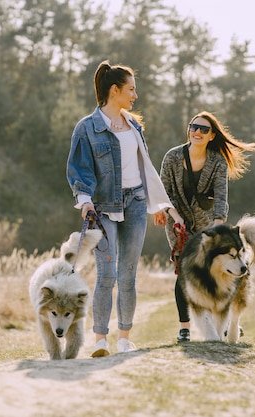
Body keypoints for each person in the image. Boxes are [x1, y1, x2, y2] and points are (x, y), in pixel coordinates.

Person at [66, 60, 174, 357]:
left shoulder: (134, 126)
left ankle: (124, 338)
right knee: (107, 275)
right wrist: (84, 201)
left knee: (128, 274)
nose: (135, 95)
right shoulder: (87, 128)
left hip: (137, 204)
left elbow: (144, 168)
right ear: (115, 90)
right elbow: (79, 169)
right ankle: (100, 339)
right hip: (103, 208)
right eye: (131, 89)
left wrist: (157, 205)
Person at [154, 111, 255, 342]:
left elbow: (221, 195)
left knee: (216, 272)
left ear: (212, 136)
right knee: (184, 271)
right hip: (178, 223)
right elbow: (164, 192)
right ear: (189, 129)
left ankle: (219, 321)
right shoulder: (171, 157)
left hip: (208, 225)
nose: (197, 132)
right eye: (194, 127)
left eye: (204, 129)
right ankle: (184, 326)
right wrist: (174, 216)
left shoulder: (217, 161)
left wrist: (218, 225)